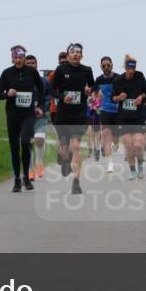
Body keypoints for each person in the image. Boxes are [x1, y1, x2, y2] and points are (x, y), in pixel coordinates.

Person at [0, 45, 45, 192]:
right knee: (14, 147)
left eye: (21, 57)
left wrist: (39, 106)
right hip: (12, 115)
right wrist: (7, 94)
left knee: (25, 142)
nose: (18, 60)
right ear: (12, 58)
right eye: (15, 58)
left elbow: (41, 90)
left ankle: (26, 177)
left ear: (24, 57)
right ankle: (17, 179)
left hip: (28, 114)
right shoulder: (7, 73)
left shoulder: (32, 72)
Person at [51, 43, 95, 194]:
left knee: (75, 145)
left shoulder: (87, 70)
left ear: (82, 55)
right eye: (73, 52)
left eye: (78, 52)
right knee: (65, 150)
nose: (76, 54)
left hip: (79, 114)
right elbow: (51, 89)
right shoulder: (61, 69)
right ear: (68, 55)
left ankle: (76, 181)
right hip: (63, 115)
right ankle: (64, 160)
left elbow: (93, 86)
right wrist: (62, 97)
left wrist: (90, 90)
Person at [112, 56, 146, 179]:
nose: (131, 70)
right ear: (125, 67)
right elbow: (113, 97)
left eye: (133, 68)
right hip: (123, 118)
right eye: (129, 68)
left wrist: (141, 97)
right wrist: (118, 98)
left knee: (138, 145)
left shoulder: (140, 77)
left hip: (138, 117)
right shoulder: (118, 80)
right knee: (128, 146)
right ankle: (132, 170)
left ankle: (140, 167)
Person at [25, 54, 51, 180]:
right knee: (28, 143)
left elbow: (48, 96)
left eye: (33, 63)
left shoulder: (44, 81)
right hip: (25, 117)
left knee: (39, 140)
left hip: (40, 116)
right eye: (28, 63)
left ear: (37, 65)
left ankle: (39, 162)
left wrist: (42, 107)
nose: (31, 65)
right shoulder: (21, 81)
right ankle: (30, 170)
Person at [95, 56, 120, 173]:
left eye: (108, 65)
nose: (106, 67)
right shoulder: (98, 79)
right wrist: (96, 101)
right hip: (105, 110)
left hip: (117, 111)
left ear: (112, 65)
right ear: (101, 67)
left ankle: (117, 143)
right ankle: (110, 164)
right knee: (106, 136)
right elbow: (95, 92)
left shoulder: (118, 78)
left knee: (115, 138)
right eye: (103, 66)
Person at [87, 88, 103, 160]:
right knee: (94, 135)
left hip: (100, 120)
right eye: (92, 95)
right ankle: (95, 150)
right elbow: (90, 112)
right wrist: (93, 108)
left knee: (99, 135)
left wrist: (98, 108)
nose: (92, 96)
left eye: (94, 94)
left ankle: (99, 149)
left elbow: (101, 111)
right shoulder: (91, 100)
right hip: (92, 120)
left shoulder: (101, 101)